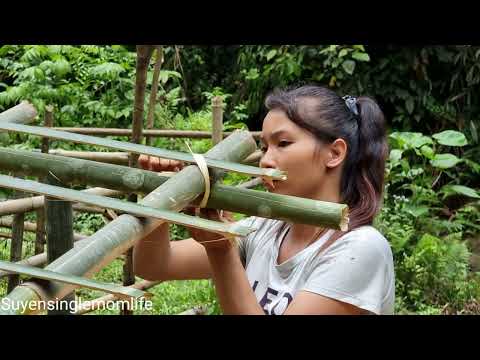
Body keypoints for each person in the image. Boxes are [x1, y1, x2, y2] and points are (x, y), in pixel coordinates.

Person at [133, 84, 395, 315]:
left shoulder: (361, 249)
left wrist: (222, 250)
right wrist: (159, 196)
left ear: (335, 153)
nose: (266, 161)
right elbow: (155, 264)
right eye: (264, 148)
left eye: (283, 143)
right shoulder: (265, 230)